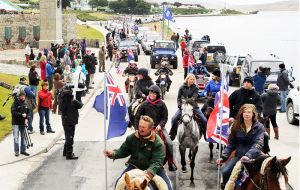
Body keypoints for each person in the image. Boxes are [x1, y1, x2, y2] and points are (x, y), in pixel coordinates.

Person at [104, 116, 173, 190]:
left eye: (143, 127)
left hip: (154, 169)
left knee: (168, 187)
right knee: (118, 183)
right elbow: (123, 150)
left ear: (150, 129)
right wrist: (113, 154)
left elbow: (157, 162)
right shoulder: (132, 137)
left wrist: (148, 175)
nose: (140, 129)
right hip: (135, 166)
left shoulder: (158, 143)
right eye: (139, 126)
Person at [216, 104, 265, 187]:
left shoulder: (259, 127)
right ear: (241, 113)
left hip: (255, 157)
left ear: (253, 114)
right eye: (244, 112)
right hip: (239, 157)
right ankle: (225, 187)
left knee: (266, 175)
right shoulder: (235, 126)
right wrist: (223, 157)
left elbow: (258, 144)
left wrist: (248, 155)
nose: (246, 114)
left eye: (249, 112)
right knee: (225, 172)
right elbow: (230, 144)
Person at [134, 85, 177, 171]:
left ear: (157, 94)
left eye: (154, 93)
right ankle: (133, 162)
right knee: (134, 142)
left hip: (158, 127)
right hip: (146, 128)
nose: (152, 94)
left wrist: (160, 125)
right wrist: (137, 128)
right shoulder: (144, 104)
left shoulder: (162, 104)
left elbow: (165, 117)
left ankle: (171, 162)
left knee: (169, 143)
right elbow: (137, 117)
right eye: (150, 92)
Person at [169, 74, 207, 140]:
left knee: (204, 119)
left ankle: (205, 134)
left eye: (193, 79)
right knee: (174, 119)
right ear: (187, 79)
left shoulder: (195, 88)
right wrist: (180, 105)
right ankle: (173, 133)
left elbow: (194, 98)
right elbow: (178, 98)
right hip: (183, 107)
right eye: (191, 79)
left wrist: (187, 101)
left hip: (193, 106)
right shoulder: (182, 87)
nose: (192, 81)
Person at [59, 88, 83, 160]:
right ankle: (69, 154)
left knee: (68, 137)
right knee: (70, 138)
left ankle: (65, 151)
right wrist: (68, 99)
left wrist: (72, 100)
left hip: (69, 122)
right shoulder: (65, 102)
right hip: (68, 122)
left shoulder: (70, 102)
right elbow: (61, 108)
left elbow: (80, 105)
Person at [11, 91, 30, 157]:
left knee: (23, 137)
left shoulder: (26, 103)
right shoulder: (15, 103)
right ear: (19, 96)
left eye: (24, 96)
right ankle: (16, 151)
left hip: (23, 123)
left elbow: (28, 113)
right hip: (15, 123)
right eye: (21, 96)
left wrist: (27, 118)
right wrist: (21, 115)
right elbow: (13, 112)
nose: (23, 97)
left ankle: (23, 150)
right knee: (16, 137)